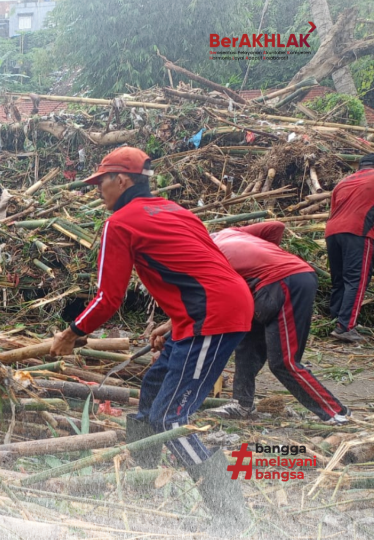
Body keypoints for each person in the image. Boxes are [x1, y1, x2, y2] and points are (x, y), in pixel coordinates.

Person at [49, 147, 254, 529]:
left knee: (171, 418)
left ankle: (231, 517)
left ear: (122, 180)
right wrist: (173, 320)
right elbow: (204, 268)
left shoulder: (121, 222)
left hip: (212, 316)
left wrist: (72, 333)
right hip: (208, 308)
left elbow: (108, 298)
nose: (98, 191)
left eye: (101, 182)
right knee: (152, 388)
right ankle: (145, 482)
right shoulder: (176, 211)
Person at [209, 221, 350, 424]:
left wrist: (273, 264)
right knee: (247, 346)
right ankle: (242, 404)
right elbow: (276, 227)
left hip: (286, 280)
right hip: (263, 284)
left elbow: (209, 302)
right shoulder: (228, 233)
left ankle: (336, 412)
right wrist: (268, 256)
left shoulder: (208, 256)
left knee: (284, 361)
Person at [325, 153, 374, 343]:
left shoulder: (343, 182)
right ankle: (345, 327)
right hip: (358, 231)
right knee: (357, 279)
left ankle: (337, 318)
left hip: (332, 231)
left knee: (340, 279)